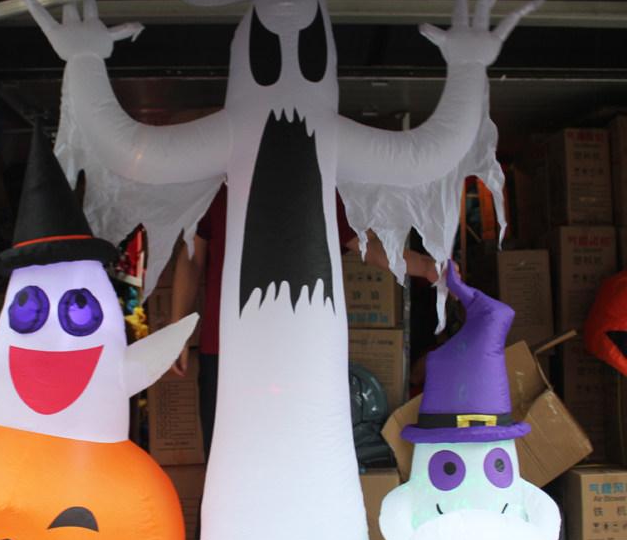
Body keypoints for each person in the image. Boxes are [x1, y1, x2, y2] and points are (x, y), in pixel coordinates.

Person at [170, 184, 442, 460]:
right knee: (225, 458)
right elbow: (192, 258)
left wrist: (425, 265)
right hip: (226, 350)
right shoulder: (219, 189)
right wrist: (176, 327)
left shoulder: (315, 186)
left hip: (297, 352)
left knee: (296, 458)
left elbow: (368, 245)